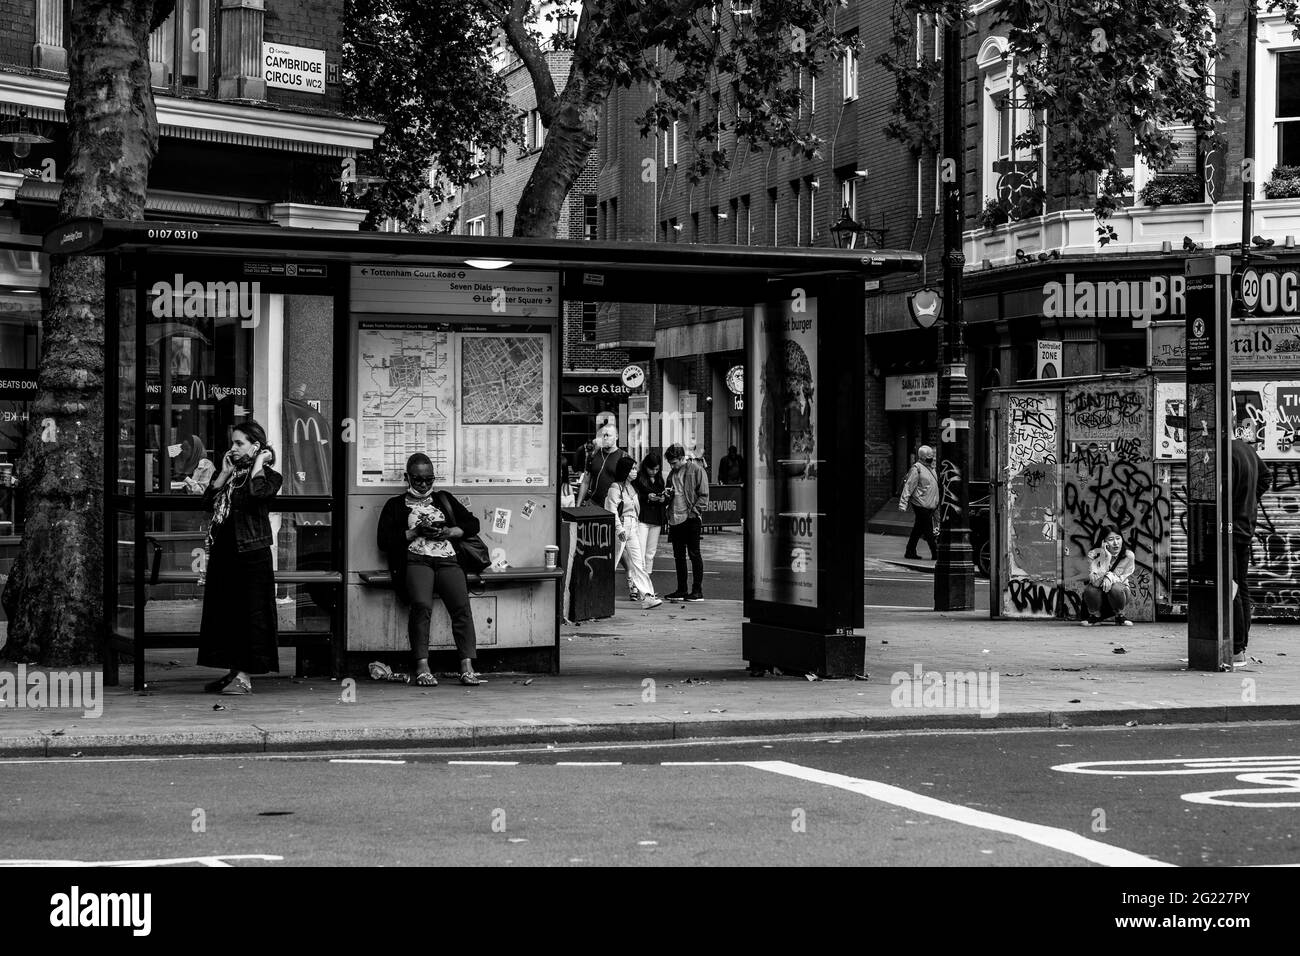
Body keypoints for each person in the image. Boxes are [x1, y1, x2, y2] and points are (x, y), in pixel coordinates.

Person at [376, 453, 482, 687]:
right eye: (417, 480)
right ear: (407, 478)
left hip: (447, 559)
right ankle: (422, 666)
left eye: (429, 479)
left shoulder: (443, 499)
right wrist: (415, 532)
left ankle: (467, 665)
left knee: (461, 607)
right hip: (416, 560)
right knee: (421, 607)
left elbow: (473, 524)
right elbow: (384, 541)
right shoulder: (395, 505)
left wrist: (448, 532)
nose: (423, 485)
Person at [197, 420, 282, 695]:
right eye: (232, 442)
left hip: (251, 553)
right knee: (227, 614)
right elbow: (206, 504)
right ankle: (234, 669)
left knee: (251, 615)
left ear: (255, 446)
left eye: (239, 443)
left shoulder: (269, 476)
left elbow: (258, 495)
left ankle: (245, 676)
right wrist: (222, 474)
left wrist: (259, 463)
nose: (232, 448)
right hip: (226, 552)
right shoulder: (233, 475)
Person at [1232, 420, 1271, 665]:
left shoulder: (1226, 452)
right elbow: (1266, 477)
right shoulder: (1247, 450)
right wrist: (1250, 503)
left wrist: (1240, 505)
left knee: (1231, 587)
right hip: (1245, 527)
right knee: (1241, 585)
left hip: (1229, 530)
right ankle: (1242, 645)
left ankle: (1236, 649)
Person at [605, 457, 663, 610]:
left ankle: (648, 596)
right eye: (631, 469)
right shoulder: (615, 487)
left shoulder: (631, 487)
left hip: (633, 526)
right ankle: (599, 592)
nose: (635, 471)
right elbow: (611, 510)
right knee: (612, 561)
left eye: (635, 468)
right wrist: (619, 529)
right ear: (624, 470)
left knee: (639, 562)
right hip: (622, 526)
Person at [663, 443, 709, 601]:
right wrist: (667, 494)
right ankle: (682, 589)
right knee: (679, 556)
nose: (672, 465)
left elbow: (704, 495)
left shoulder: (696, 470)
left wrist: (694, 512)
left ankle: (697, 591)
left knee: (694, 554)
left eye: (674, 462)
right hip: (675, 518)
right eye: (670, 463)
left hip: (690, 518)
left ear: (682, 458)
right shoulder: (672, 474)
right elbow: (671, 493)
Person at [1078, 526, 1136, 626]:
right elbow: (1095, 583)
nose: (1116, 543)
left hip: (1120, 594)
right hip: (1099, 596)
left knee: (1116, 588)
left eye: (1118, 538)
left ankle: (1120, 616)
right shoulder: (1092, 555)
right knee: (1090, 590)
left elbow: (1123, 578)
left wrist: (1109, 577)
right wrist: (1107, 558)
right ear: (1103, 542)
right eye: (1111, 539)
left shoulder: (1128, 556)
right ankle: (1095, 616)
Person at [634, 451, 668, 596]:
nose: (654, 472)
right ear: (645, 466)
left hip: (656, 518)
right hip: (643, 517)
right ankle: (636, 586)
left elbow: (666, 496)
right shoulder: (638, 478)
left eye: (657, 469)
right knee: (640, 553)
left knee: (650, 554)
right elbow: (635, 496)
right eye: (651, 469)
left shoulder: (660, 479)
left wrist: (663, 499)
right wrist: (648, 497)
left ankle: (646, 585)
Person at [899, 445, 939, 560]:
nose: (931, 458)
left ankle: (910, 551)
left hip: (929, 504)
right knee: (928, 528)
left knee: (918, 529)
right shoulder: (917, 469)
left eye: (932, 456)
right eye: (928, 457)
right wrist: (903, 503)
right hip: (920, 503)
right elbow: (909, 486)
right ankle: (935, 552)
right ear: (921, 457)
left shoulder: (932, 468)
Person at [580, 425, 626, 508]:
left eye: (608, 435)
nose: (605, 438)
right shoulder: (593, 455)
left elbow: (628, 487)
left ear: (616, 436)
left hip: (614, 506)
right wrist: (578, 505)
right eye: (603, 435)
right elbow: (585, 482)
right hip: (594, 504)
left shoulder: (623, 457)